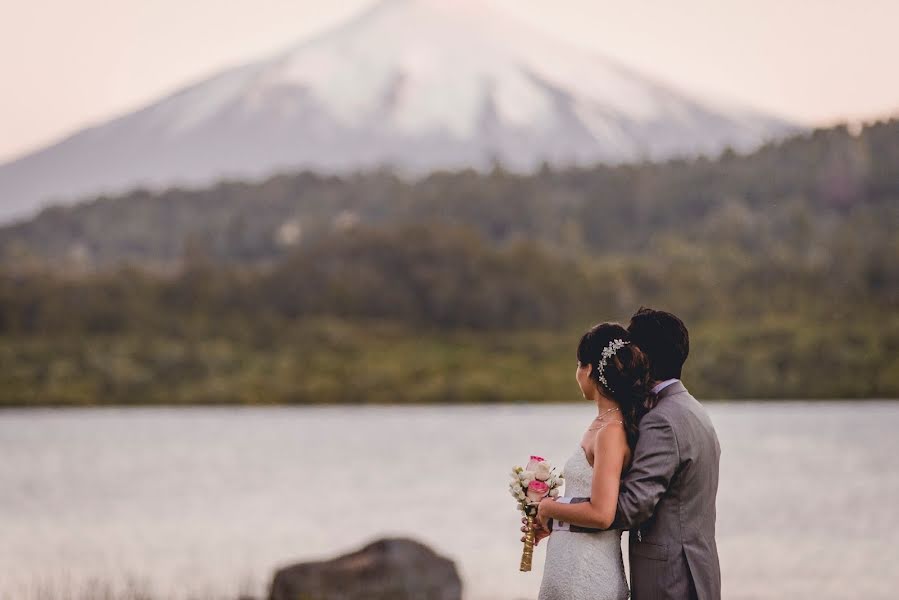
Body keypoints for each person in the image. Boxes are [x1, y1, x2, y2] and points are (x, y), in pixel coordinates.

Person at [527, 308, 722, 600]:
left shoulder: (662, 420)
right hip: (693, 568)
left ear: (645, 355)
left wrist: (552, 510)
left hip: (671, 579)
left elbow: (629, 507)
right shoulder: (688, 409)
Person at [532, 322, 654, 599]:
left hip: (588, 575)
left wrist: (549, 507)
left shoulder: (611, 431)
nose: (577, 373)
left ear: (590, 370)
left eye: (578, 364)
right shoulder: (600, 424)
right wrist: (553, 520)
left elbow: (601, 513)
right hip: (567, 565)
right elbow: (583, 499)